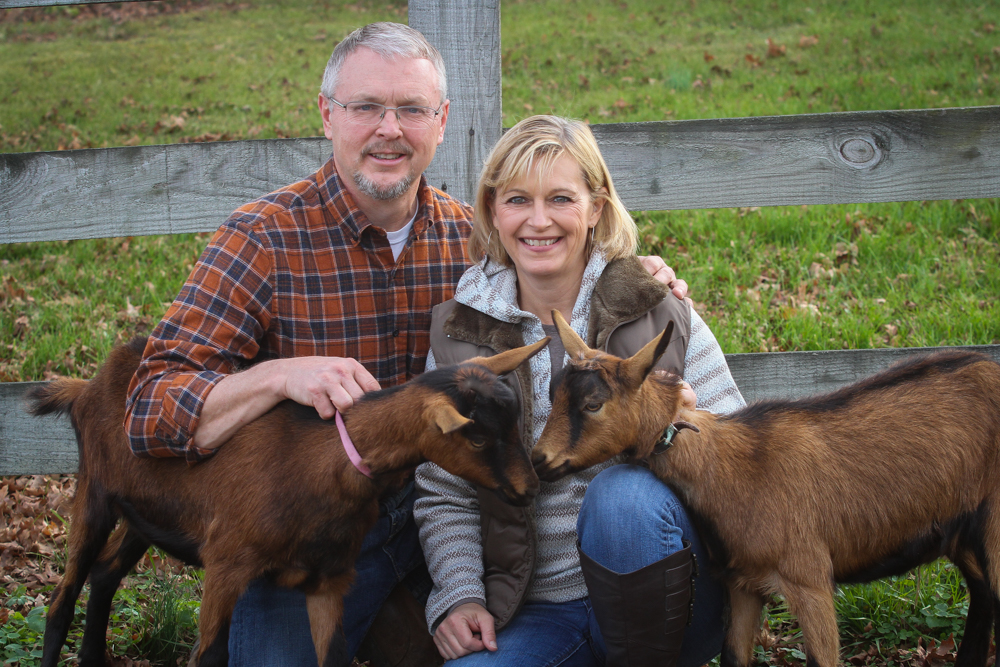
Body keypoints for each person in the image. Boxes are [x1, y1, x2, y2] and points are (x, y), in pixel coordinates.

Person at [123, 23, 687, 667]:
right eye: (366, 107)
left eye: (412, 109)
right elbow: (148, 409)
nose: (389, 129)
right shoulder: (263, 241)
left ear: (441, 121)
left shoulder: (471, 246)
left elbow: (558, 246)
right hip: (316, 529)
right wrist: (277, 376)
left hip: (435, 522)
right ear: (327, 115)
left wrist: (638, 278)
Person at [414, 115, 747, 667]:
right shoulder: (460, 337)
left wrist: (683, 428)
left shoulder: (656, 309)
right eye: (518, 199)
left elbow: (741, 456)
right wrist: (461, 594)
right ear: (494, 210)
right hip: (536, 610)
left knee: (620, 499)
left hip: (669, 600)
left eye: (561, 199)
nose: (539, 221)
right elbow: (445, 487)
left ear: (596, 208)